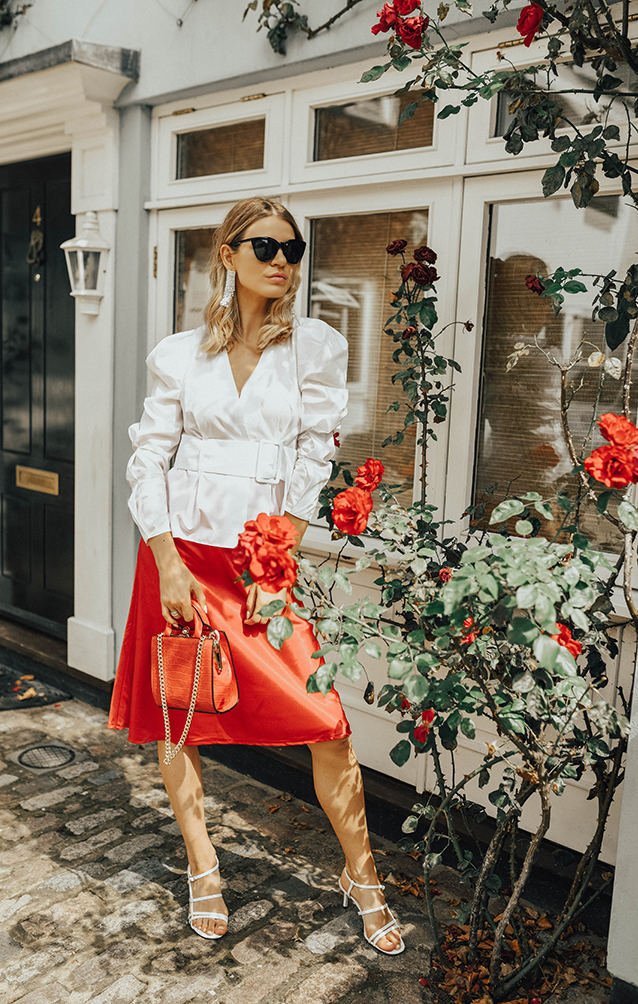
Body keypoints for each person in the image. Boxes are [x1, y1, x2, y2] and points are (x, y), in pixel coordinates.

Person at [108, 196, 404, 955]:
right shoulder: (180, 353)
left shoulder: (316, 348)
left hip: (262, 562)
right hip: (182, 560)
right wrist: (166, 560)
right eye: (266, 247)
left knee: (326, 721)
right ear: (229, 253)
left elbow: (314, 456)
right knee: (182, 712)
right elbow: (149, 458)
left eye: (294, 251)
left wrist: (283, 557)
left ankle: (361, 875)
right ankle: (203, 868)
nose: (282, 262)